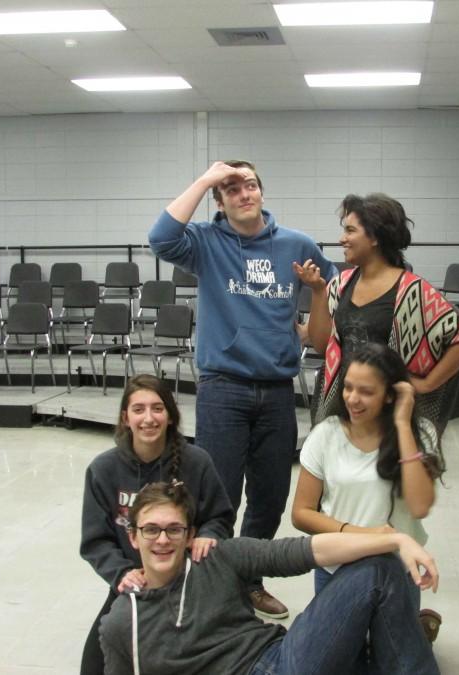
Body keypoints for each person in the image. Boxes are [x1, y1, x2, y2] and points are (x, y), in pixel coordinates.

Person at [148, 160, 336, 619]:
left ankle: (247, 580)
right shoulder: (207, 243)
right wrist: (206, 178)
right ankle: (212, 587)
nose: (243, 193)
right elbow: (160, 238)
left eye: (249, 185)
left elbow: (329, 292)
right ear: (220, 199)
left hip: (276, 390)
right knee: (218, 496)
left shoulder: (296, 243)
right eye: (231, 188)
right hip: (223, 388)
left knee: (270, 499)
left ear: (262, 192)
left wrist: (312, 300)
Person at [99, 481, 441, 675]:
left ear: (190, 535)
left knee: (378, 567)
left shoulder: (217, 557)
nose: (162, 540)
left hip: (282, 658)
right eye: (151, 530)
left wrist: (396, 539)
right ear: (133, 537)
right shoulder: (121, 622)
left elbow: (305, 551)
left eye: (174, 529)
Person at [80, 375, 234, 675]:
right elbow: (95, 541)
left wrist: (208, 534)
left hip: (189, 582)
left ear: (170, 416)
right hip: (135, 582)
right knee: (94, 664)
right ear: (125, 418)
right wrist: (122, 574)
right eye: (138, 410)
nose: (148, 418)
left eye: (157, 408)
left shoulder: (197, 462)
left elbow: (220, 516)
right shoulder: (102, 470)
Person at [291, 342, 445, 641]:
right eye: (348, 388)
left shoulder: (419, 433)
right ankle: (418, 628)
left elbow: (420, 506)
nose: (353, 399)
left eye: (366, 391)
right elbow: (301, 513)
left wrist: (402, 425)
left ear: (391, 395)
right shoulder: (327, 434)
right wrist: (362, 535)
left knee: (391, 659)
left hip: (397, 571)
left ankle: (415, 628)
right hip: (337, 566)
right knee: (339, 657)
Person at [294, 192, 459, 431]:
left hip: (390, 416)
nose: (342, 239)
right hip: (345, 408)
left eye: (350, 230)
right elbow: (321, 346)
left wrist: (428, 384)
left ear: (374, 236)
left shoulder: (412, 290)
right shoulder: (341, 285)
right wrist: (319, 291)